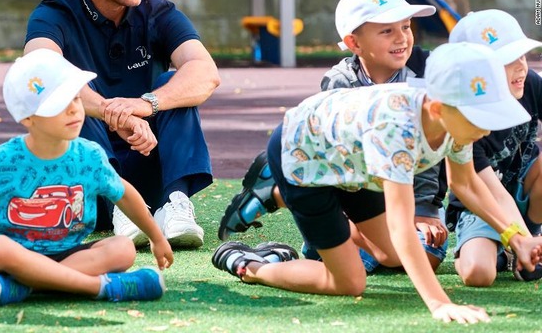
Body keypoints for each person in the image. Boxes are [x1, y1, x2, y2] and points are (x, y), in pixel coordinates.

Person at [211, 42, 542, 323]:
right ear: (438, 108)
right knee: (349, 282)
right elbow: (401, 225)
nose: (488, 128)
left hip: (351, 164)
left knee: (394, 256)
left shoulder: (458, 119)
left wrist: (516, 237)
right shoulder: (397, 131)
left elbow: (466, 184)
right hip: (302, 158)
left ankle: (274, 194)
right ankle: (248, 263)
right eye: (482, 118)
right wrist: (440, 303)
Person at [0, 49, 174, 307]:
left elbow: (123, 193)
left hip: (70, 252)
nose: (73, 110)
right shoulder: (5, 160)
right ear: (28, 118)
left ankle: (23, 287)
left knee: (123, 248)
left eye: (76, 98)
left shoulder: (88, 155)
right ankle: (103, 287)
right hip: (14, 258)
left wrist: (155, 237)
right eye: (59, 104)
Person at [223, 0, 449, 272]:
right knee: (362, 262)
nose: (402, 38)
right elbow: (336, 164)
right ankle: (286, 200)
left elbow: (427, 151)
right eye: (387, 31)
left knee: (426, 254)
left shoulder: (427, 71)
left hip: (405, 190)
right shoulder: (340, 83)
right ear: (354, 43)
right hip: (355, 186)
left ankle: (279, 202)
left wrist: (423, 208)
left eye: (405, 27)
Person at [23, 0, 220, 249]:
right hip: (82, 185)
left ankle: (175, 205)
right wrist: (113, 113)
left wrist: (146, 104)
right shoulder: (55, 12)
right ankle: (120, 204)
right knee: (70, 92)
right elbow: (37, 73)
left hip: (146, 171)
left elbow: (206, 72)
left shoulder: (157, 11)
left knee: (175, 83)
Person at [444, 9, 542, 286]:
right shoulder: (463, 121)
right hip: (482, 205)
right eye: (507, 61)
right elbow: (495, 196)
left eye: (522, 56)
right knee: (478, 274)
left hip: (524, 187)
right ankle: (507, 250)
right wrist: (525, 245)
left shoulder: (530, 83)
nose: (521, 67)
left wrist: (529, 243)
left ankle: (529, 236)